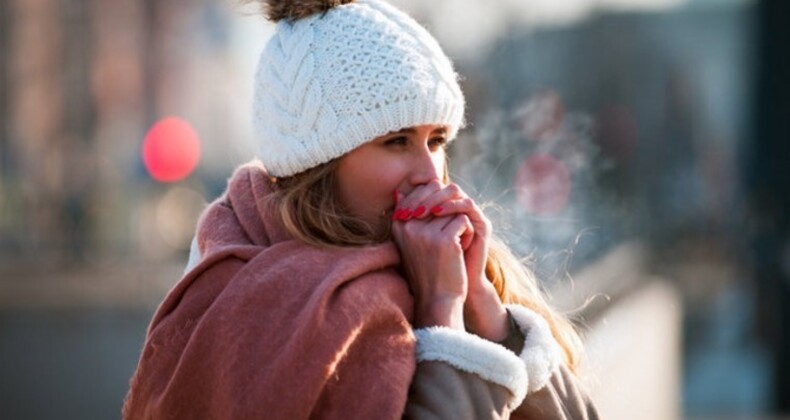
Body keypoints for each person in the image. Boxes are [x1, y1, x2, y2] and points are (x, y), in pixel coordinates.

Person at [123, 0, 599, 418]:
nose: (431, 176)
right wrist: (441, 316)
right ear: (319, 167)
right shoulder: (246, 299)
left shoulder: (457, 268)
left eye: (436, 141)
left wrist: (485, 309)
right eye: (396, 141)